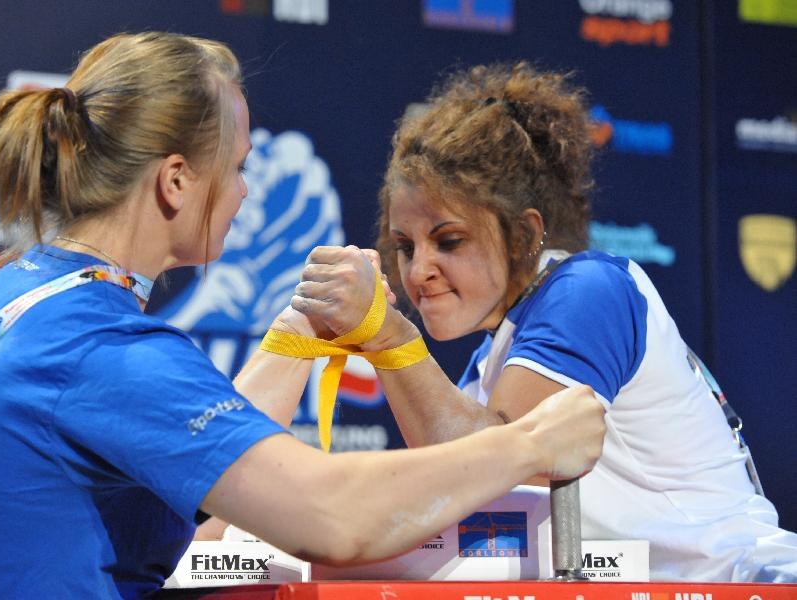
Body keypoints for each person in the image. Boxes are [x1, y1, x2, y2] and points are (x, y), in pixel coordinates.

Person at [0, 34, 606, 598]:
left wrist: (301, 328)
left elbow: (204, 465)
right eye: (239, 166)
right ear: (176, 181)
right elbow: (331, 516)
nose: (245, 192)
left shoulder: (3, 298)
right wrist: (531, 443)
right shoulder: (102, 350)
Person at [293, 62, 797, 582]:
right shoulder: (491, 359)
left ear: (523, 235)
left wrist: (387, 333)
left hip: (745, 584)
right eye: (405, 246)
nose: (419, 270)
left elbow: (500, 463)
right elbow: (448, 501)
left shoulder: (588, 290)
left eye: (449, 241)